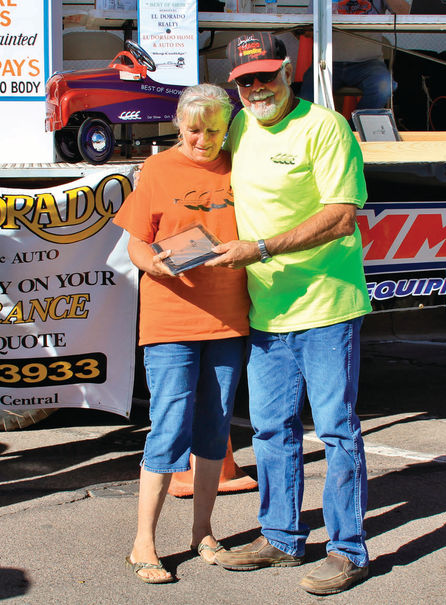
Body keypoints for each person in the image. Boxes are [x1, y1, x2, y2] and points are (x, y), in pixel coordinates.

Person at [204, 32, 372, 595]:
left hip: (326, 303)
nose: (256, 88)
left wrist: (263, 249)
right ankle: (280, 538)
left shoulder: (324, 126)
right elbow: (194, 155)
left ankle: (348, 550)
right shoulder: (238, 127)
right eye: (245, 80)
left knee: (335, 429)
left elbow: (343, 214)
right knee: (273, 430)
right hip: (267, 309)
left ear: (287, 76)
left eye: (265, 76)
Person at [113, 83, 249, 584]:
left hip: (228, 318)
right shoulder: (157, 169)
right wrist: (158, 266)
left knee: (214, 426)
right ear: (178, 124)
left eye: (214, 129)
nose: (204, 139)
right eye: (195, 129)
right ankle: (143, 542)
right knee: (169, 425)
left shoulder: (240, 166)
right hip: (170, 317)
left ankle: (203, 533)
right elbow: (137, 246)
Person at [300, 0, 410, 110]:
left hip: (369, 63)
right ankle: (331, 125)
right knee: (308, 98)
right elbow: (308, 29)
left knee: (383, 87)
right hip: (327, 62)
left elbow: (408, 15)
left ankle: (355, 125)